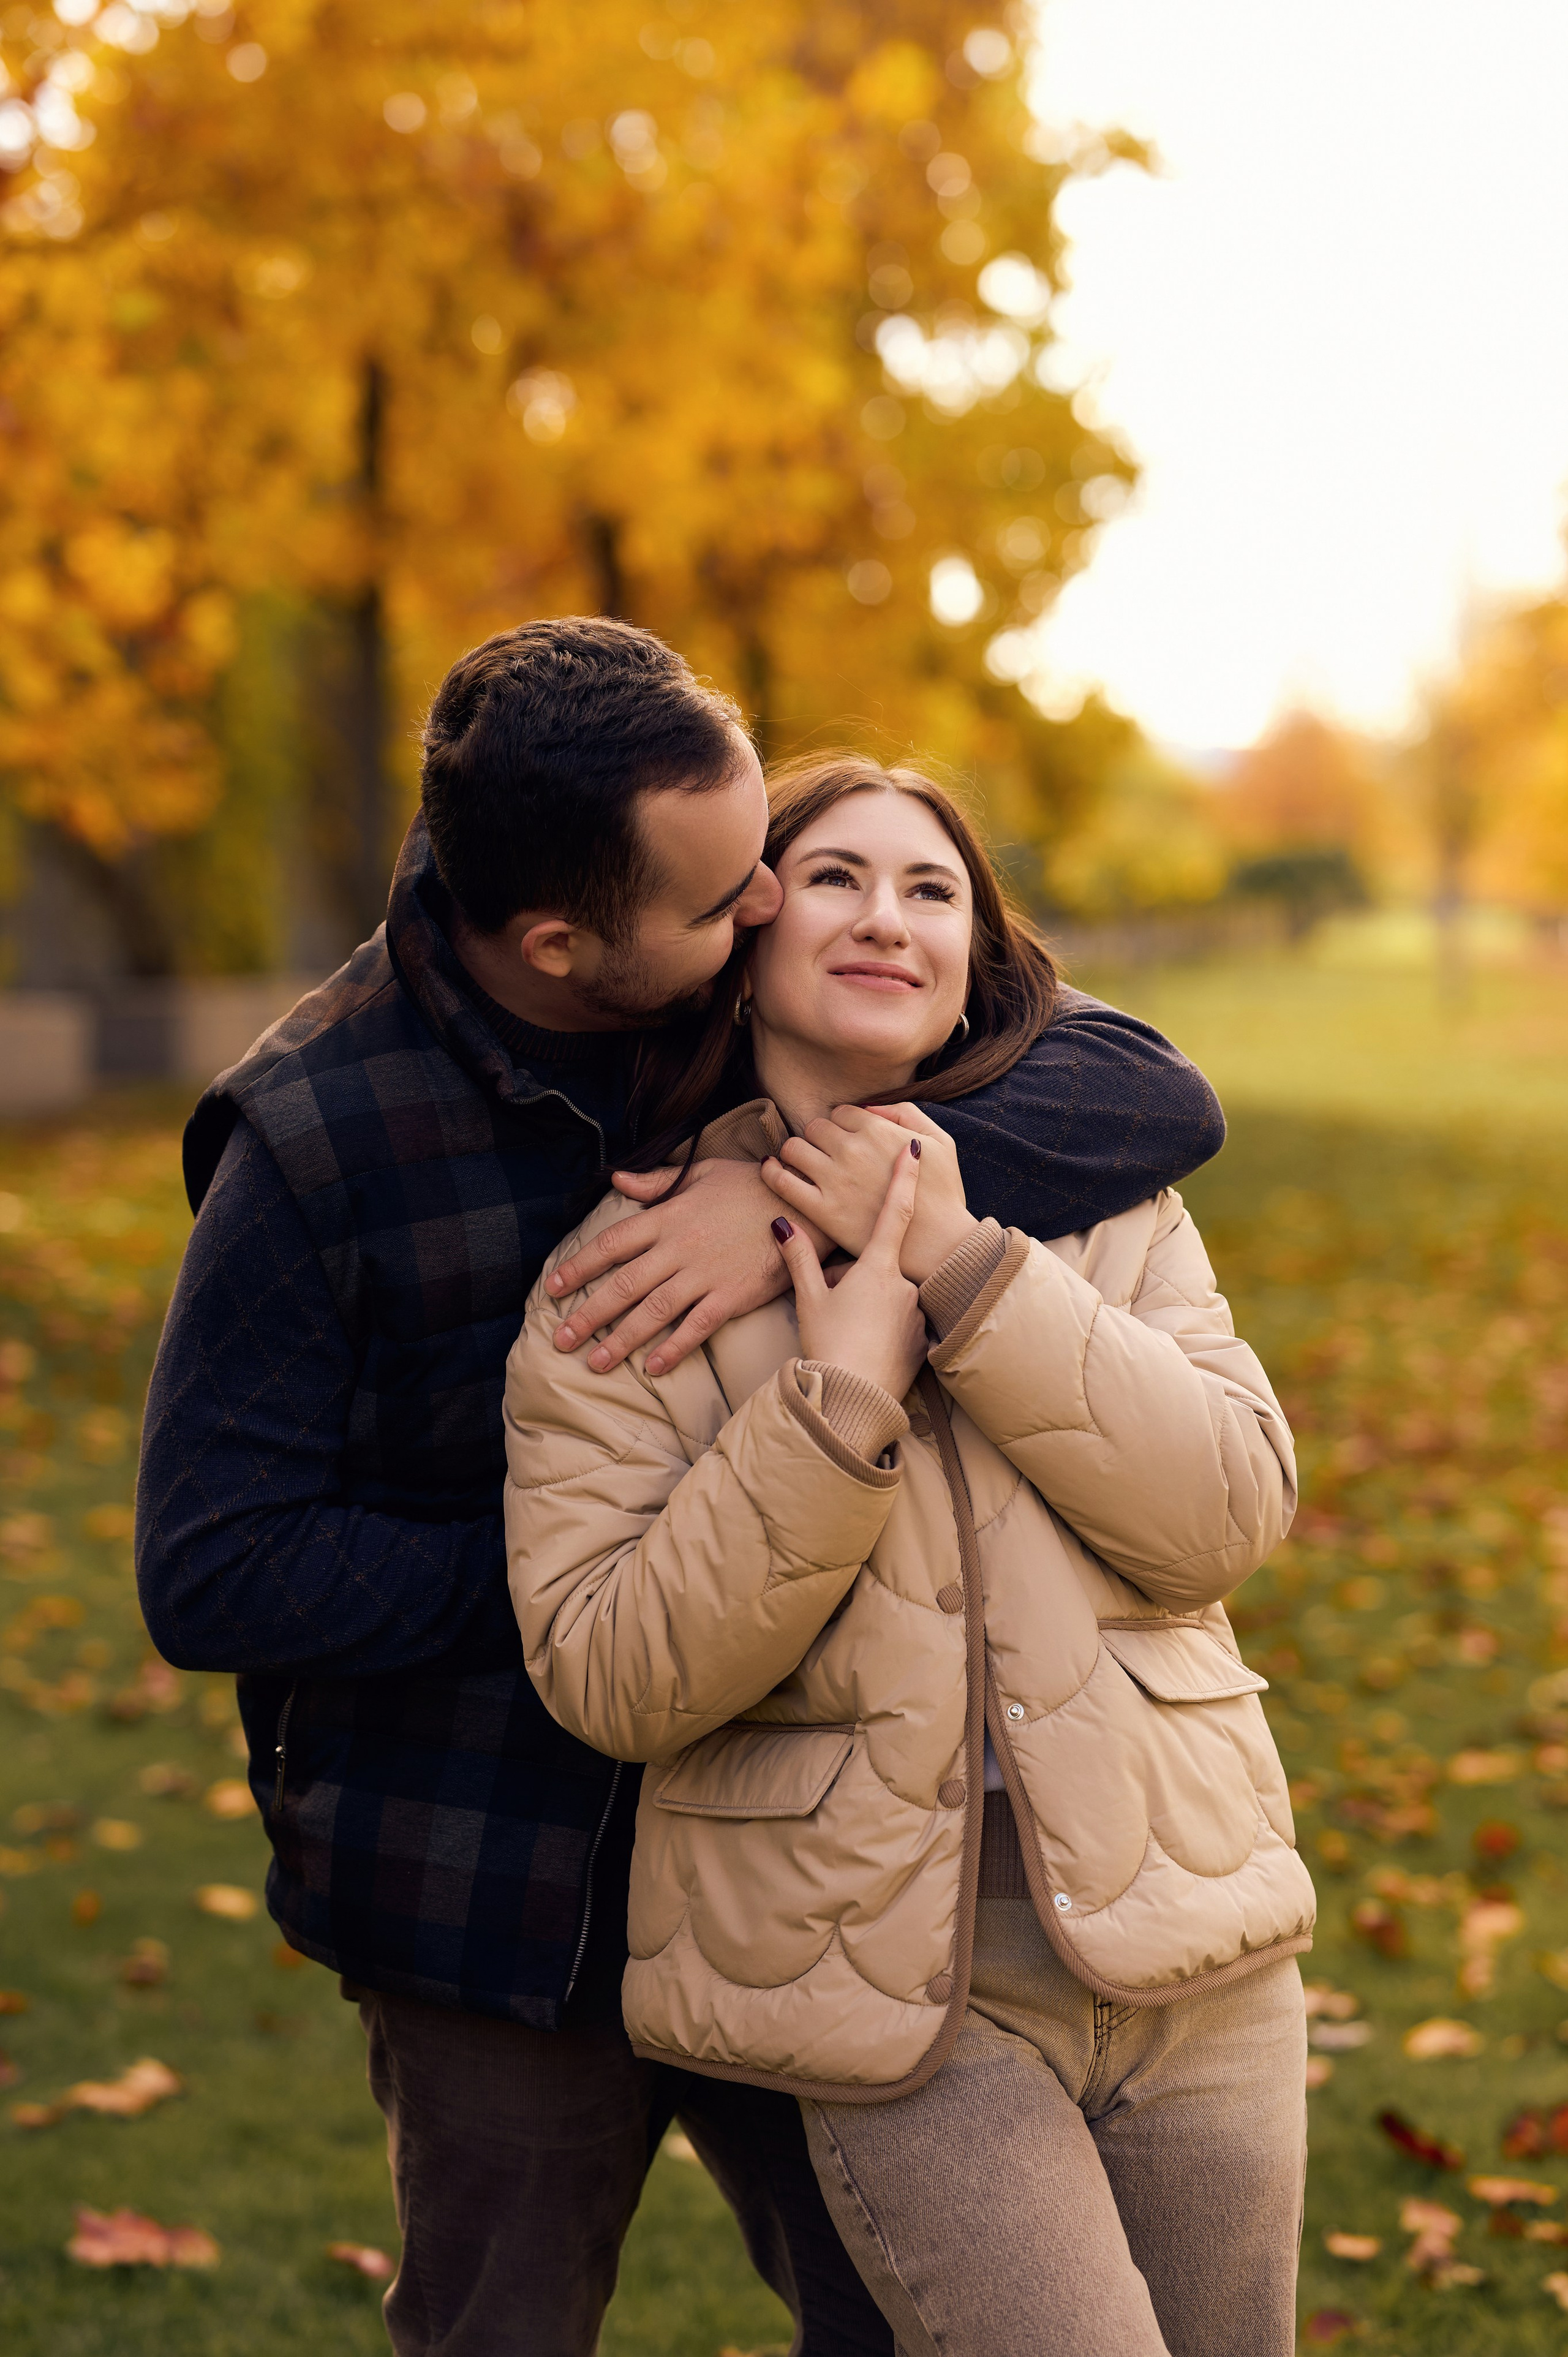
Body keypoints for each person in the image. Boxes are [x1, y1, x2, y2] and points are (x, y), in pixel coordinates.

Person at [137, 620, 1229, 2357]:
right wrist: (603, 1578)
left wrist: (789, 1194)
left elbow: (1140, 1083)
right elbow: (217, 1572)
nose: (779, 920)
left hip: (803, 1859)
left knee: (908, 2315)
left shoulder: (731, 965)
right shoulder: (316, 1139)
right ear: (566, 945)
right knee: (510, 2324)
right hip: (494, 1890)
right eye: (734, 905)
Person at [505, 752, 1316, 2357]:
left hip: (1197, 1946)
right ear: (746, 932)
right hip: (900, 2002)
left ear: (969, 965)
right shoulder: (628, 1281)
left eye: (931, 888)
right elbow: (614, 1670)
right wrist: (839, 1401)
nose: (889, 916)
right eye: (837, 877)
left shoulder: (1111, 1216)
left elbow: (1228, 1515)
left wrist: (962, 1266)